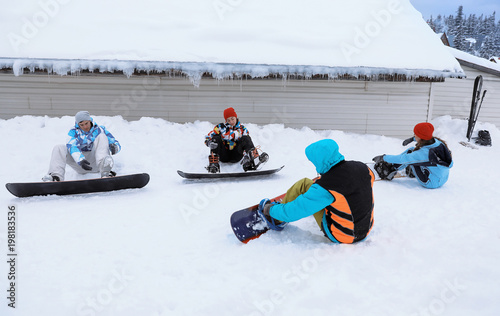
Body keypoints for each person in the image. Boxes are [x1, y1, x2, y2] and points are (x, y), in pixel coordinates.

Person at [257, 139, 375, 244]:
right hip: (365, 229)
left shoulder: (327, 186)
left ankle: (278, 219)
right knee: (333, 196)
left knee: (303, 184)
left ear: (319, 160)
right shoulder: (362, 168)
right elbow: (351, 187)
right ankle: (314, 203)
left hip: (343, 235)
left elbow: (296, 211)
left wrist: (270, 210)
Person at [42, 111, 121, 181]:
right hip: (80, 164)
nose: (85, 127)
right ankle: (56, 177)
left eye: (86, 123)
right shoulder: (73, 132)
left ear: (90, 121)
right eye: (81, 125)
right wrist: (80, 160)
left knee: (102, 136)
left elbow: (114, 142)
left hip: (97, 162)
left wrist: (114, 147)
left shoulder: (99, 130)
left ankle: (105, 172)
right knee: (59, 147)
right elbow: (72, 146)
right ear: (78, 124)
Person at [372, 122, 453, 189]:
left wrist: (384, 157)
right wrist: (412, 139)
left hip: (430, 182)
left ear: (421, 137)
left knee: (410, 157)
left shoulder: (424, 153)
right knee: (412, 152)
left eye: (415, 134)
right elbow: (424, 138)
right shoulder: (437, 142)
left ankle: (391, 170)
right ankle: (406, 169)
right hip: (442, 178)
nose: (414, 135)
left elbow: (402, 159)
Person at [204, 107, 268, 173]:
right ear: (226, 120)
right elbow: (208, 137)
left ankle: (252, 162)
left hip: (236, 154)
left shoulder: (242, 129)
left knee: (246, 138)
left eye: (232, 119)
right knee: (216, 138)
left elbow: (247, 143)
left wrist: (246, 153)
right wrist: (209, 142)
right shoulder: (220, 127)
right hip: (223, 154)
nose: (231, 122)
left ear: (236, 117)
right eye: (228, 120)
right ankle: (214, 166)